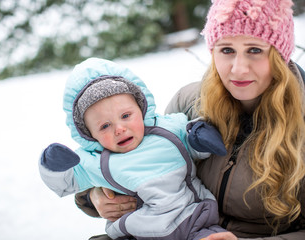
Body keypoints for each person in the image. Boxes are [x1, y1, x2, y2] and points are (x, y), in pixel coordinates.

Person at [73, 0, 305, 239]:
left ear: (280, 55)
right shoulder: (190, 102)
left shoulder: (301, 122)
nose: (238, 69)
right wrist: (94, 195)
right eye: (227, 50)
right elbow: (140, 160)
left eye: (254, 50)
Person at [39, 57, 228, 239]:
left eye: (126, 115)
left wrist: (200, 137)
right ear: (88, 133)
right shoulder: (97, 160)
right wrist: (53, 164)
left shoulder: (166, 132)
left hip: (194, 220)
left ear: (141, 108)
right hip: (138, 233)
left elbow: (189, 136)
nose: (119, 129)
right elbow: (65, 180)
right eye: (105, 126)